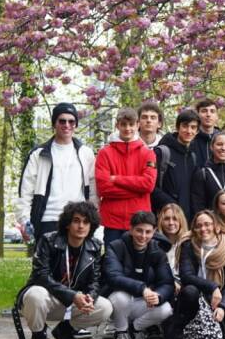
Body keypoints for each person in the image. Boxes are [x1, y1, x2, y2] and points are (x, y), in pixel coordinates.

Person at [16, 201, 113, 339]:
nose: (81, 226)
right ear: (67, 224)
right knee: (36, 294)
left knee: (105, 307)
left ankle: (65, 331)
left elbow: (94, 281)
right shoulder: (49, 240)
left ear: (91, 226)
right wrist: (73, 295)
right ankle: (38, 336)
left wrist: (89, 298)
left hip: (73, 302)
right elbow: (40, 276)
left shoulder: (94, 246)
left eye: (86, 222)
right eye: (76, 221)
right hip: (48, 298)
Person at [17, 103, 97, 241]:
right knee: (46, 262)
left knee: (77, 263)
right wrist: (24, 220)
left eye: (71, 121)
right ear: (54, 123)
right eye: (62, 121)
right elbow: (26, 191)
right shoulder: (39, 154)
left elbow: (93, 190)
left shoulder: (86, 153)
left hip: (78, 220)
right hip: (47, 219)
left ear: (76, 125)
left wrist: (94, 219)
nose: (67, 125)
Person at [102, 211, 175, 339]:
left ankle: (135, 329)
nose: (143, 236)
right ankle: (121, 331)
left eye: (148, 232)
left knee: (166, 309)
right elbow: (113, 277)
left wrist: (158, 296)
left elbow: (166, 283)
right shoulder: (116, 246)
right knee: (120, 297)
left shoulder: (158, 250)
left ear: (154, 231)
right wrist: (142, 289)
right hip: (119, 302)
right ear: (130, 229)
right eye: (139, 231)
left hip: (143, 302)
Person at [175, 209, 225, 339]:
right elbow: (187, 276)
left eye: (207, 224)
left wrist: (223, 307)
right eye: (198, 225)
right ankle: (186, 329)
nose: (203, 229)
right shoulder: (188, 245)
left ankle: (222, 329)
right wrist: (213, 288)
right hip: (198, 293)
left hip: (221, 294)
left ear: (216, 226)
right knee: (189, 292)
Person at [95, 107, 157, 246]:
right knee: (112, 263)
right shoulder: (105, 153)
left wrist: (116, 179)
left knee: (138, 265)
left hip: (139, 221)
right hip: (113, 221)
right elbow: (103, 188)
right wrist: (136, 190)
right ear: (117, 125)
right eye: (123, 124)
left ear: (137, 125)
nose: (127, 128)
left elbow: (148, 185)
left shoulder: (148, 153)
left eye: (131, 124)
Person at [152, 109, 201, 220]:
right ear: (177, 127)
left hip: (186, 219)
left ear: (197, 131)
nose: (189, 131)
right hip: (165, 218)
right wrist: (172, 205)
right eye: (185, 126)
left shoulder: (192, 157)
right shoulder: (161, 152)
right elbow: (151, 187)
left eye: (193, 127)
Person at [156, 203, 189, 283]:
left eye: (175, 219)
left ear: (181, 221)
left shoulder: (188, 243)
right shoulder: (155, 244)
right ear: (161, 221)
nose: (171, 223)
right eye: (166, 219)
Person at [192, 99, 221, 167]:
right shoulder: (190, 139)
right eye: (204, 111)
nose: (208, 114)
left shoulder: (223, 140)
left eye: (212, 111)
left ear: (217, 116)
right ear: (197, 115)